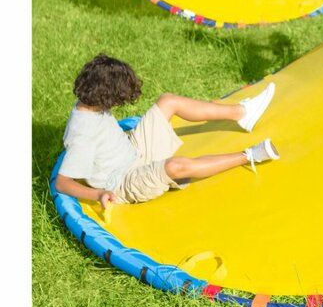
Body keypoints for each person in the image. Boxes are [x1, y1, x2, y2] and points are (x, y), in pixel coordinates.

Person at [54, 54, 278, 207]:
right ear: (106, 95)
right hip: (124, 181)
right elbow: (62, 182)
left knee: (168, 101)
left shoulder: (91, 103)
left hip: (133, 149)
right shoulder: (82, 134)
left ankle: (242, 113)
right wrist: (99, 194)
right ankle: (250, 155)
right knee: (175, 166)